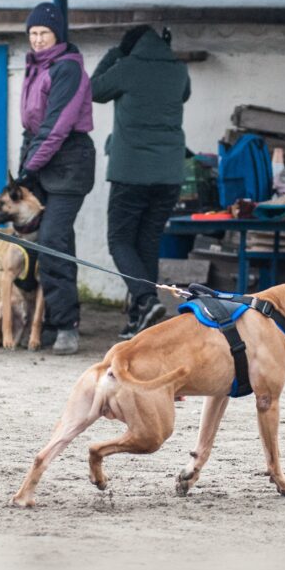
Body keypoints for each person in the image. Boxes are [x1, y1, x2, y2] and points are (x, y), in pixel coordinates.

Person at [91, 25, 191, 339]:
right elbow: (184, 94)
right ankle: (140, 318)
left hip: (131, 172)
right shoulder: (179, 71)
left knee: (119, 241)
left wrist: (114, 55)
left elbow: (93, 90)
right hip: (170, 175)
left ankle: (146, 300)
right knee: (147, 243)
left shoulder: (127, 67)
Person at [16, 2, 95, 355]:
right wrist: (26, 168)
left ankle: (66, 326)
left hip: (68, 162)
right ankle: (48, 322)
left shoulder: (67, 69)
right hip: (42, 158)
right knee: (49, 242)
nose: (37, 40)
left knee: (52, 240)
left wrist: (29, 168)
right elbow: (30, 125)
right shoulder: (34, 67)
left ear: (57, 35)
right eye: (32, 34)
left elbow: (56, 126)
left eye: (43, 34)